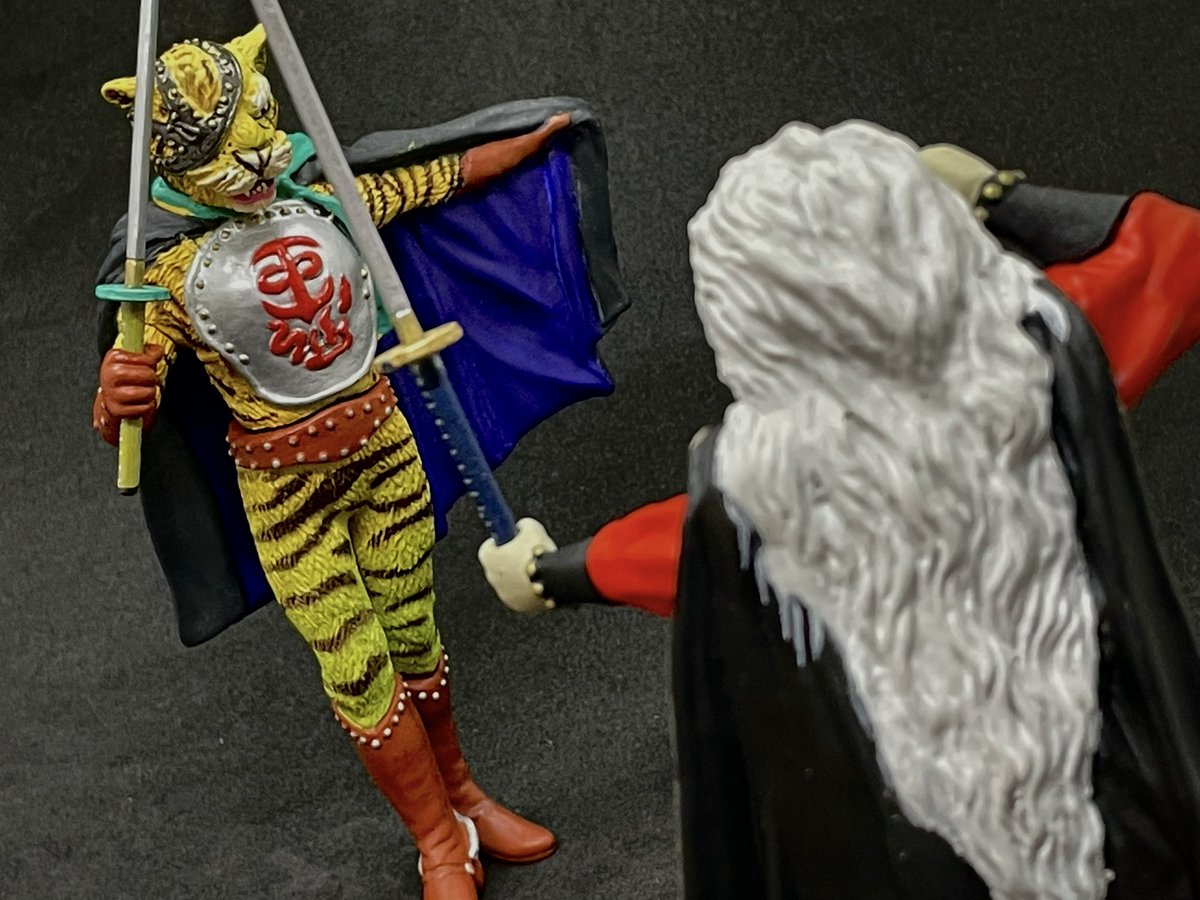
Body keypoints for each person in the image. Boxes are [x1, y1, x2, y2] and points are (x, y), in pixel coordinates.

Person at [509, 122, 1200, 896]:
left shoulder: (760, 483)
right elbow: (1177, 250)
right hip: (1125, 831)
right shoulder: (1036, 354)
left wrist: (548, 572)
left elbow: (676, 557)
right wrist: (999, 196)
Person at [92, 25, 627, 900]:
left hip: (385, 452)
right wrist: (121, 392)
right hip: (286, 497)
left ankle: (465, 798)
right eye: (222, 152)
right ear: (171, 162)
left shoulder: (326, 200)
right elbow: (129, 406)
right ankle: (437, 841)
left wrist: (528, 141)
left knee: (415, 635)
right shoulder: (169, 277)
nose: (255, 159)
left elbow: (435, 179)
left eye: (259, 130)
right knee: (357, 665)